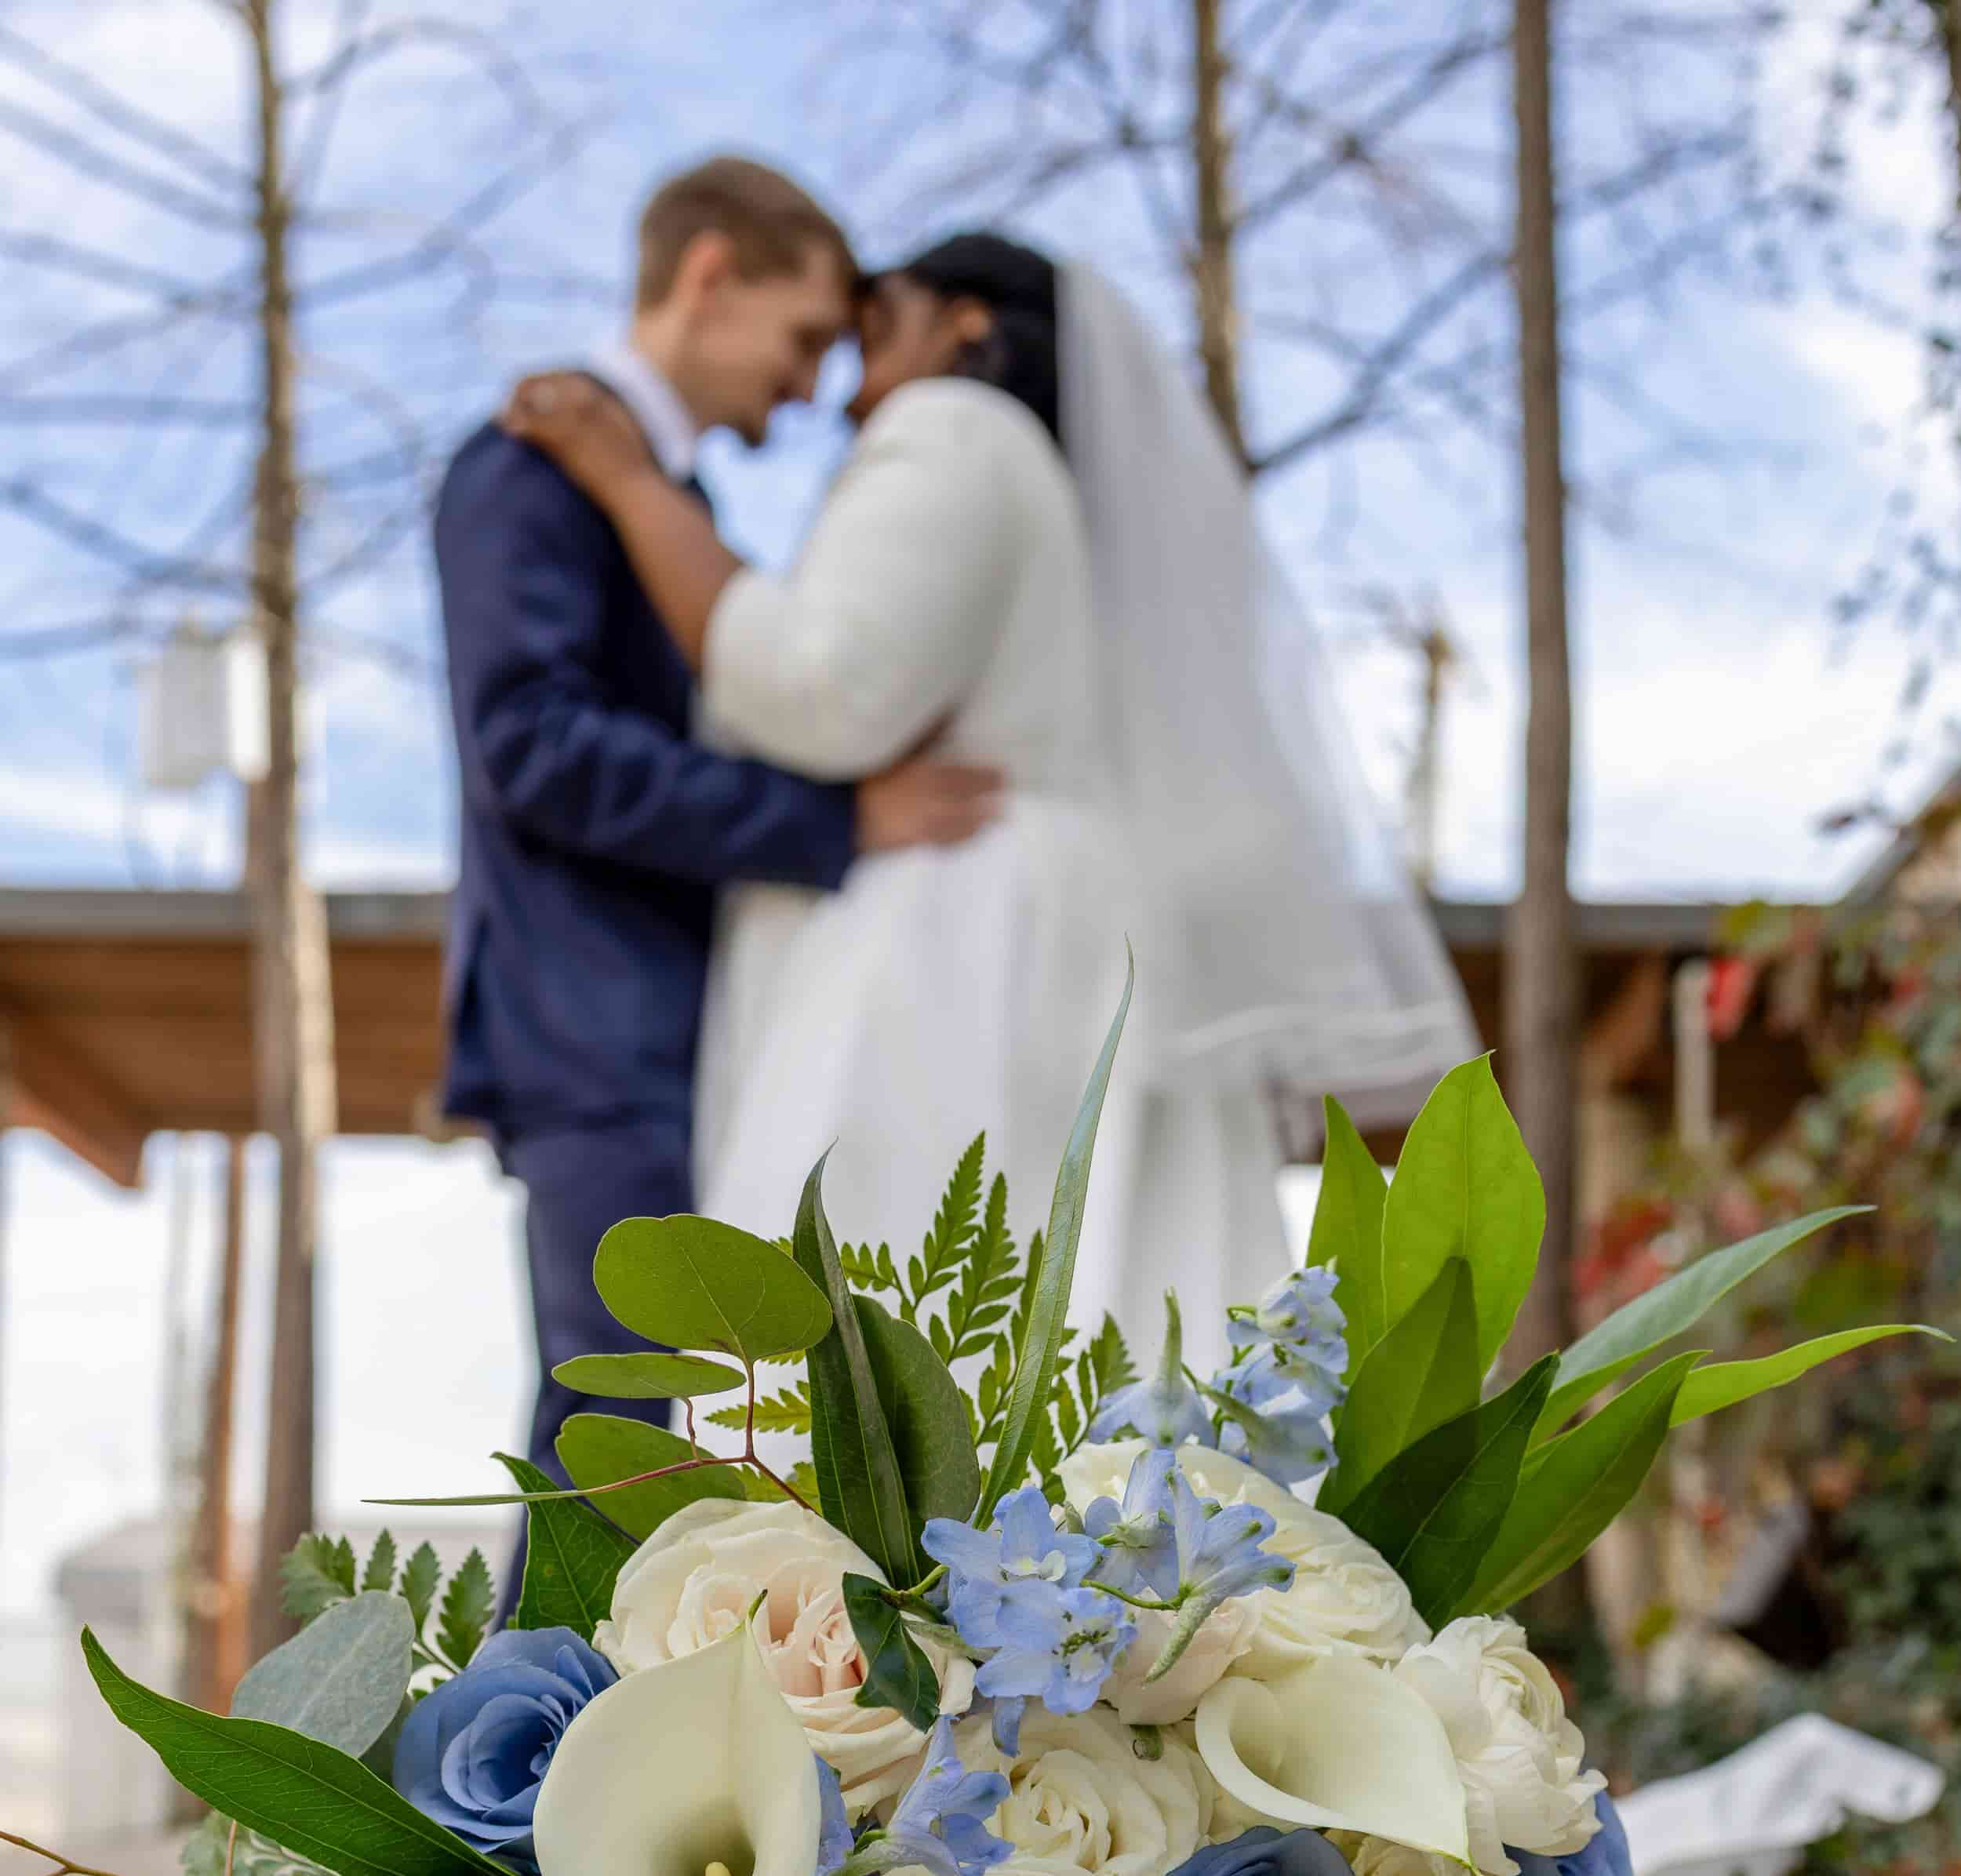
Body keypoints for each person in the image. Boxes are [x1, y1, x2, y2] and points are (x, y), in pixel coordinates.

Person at [501, 236, 1475, 1365]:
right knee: (1083, 1345)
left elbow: (823, 686)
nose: (839, 370)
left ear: (963, 322)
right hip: (1063, 934)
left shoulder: (954, 432)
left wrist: (627, 484)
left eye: (874, 318)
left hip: (960, 947)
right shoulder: (1056, 494)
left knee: (901, 1342)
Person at [432, 160, 1002, 1502]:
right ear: (710, 277)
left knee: (662, 1448)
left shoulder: (665, 508)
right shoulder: (524, 472)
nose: (810, 387)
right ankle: (517, 1726)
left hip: (676, 1033)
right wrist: (835, 820)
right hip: (592, 1033)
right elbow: (533, 748)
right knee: (615, 1448)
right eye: (804, 337)